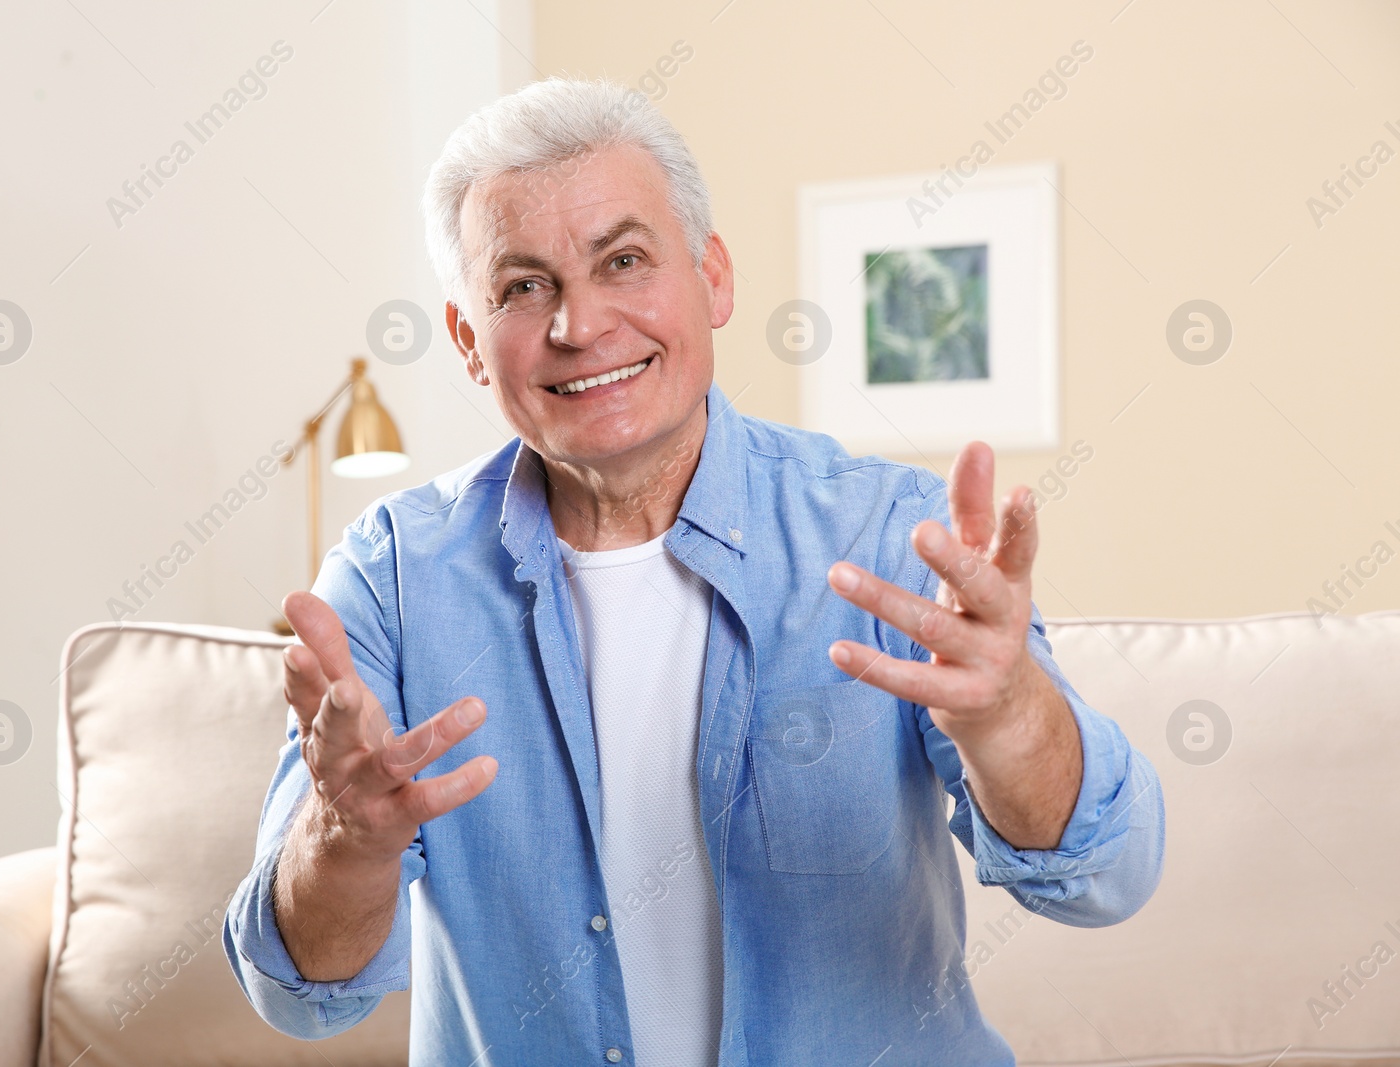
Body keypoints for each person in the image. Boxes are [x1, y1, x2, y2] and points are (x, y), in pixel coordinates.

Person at [223, 76, 1164, 1066]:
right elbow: (301, 992)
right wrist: (346, 838)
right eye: (521, 285)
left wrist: (1008, 714)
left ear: (711, 278)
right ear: (466, 339)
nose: (578, 324)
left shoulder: (891, 532)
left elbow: (1107, 875)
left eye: (622, 260)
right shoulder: (388, 578)